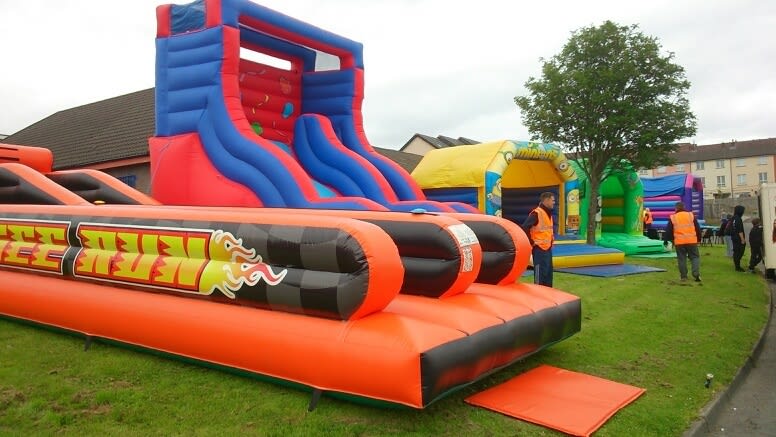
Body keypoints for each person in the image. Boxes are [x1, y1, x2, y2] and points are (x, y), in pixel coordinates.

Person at [522, 192, 556, 287]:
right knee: (540, 275)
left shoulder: (548, 213)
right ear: (546, 200)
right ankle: (539, 293)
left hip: (547, 248)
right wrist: (532, 242)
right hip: (539, 249)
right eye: (552, 200)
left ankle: (548, 293)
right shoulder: (537, 213)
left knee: (548, 274)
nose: (554, 202)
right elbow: (525, 227)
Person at [663, 201, 702, 282]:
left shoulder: (673, 217)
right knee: (695, 257)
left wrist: (666, 240)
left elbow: (668, 230)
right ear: (684, 207)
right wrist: (699, 239)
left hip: (679, 242)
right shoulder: (690, 215)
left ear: (676, 208)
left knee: (682, 259)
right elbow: (697, 228)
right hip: (691, 241)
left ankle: (683, 276)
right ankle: (696, 274)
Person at [730, 205, 747, 271]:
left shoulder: (733, 218)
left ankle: (737, 265)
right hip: (738, 238)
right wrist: (742, 239)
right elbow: (740, 230)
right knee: (740, 251)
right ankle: (738, 267)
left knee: (736, 251)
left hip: (734, 237)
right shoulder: (738, 219)